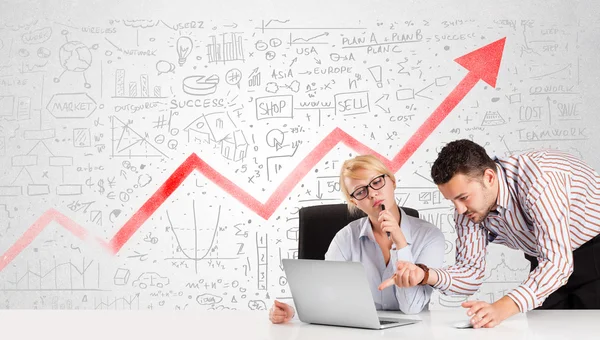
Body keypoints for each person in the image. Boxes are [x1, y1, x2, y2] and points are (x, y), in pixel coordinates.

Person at [379, 139, 600, 329]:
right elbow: (470, 272)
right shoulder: (469, 211)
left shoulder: (539, 182)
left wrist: (503, 307)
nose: (459, 210)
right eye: (452, 201)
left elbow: (558, 264)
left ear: (489, 178)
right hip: (545, 260)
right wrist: (425, 275)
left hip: (593, 252)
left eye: (463, 197)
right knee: (546, 332)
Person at [269, 155, 445, 324]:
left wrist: (401, 244)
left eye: (377, 182)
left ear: (392, 181)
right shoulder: (345, 238)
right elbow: (325, 295)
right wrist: (293, 312)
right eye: (361, 191)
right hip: (358, 330)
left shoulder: (430, 236)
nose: (372, 194)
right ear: (354, 202)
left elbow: (412, 307)